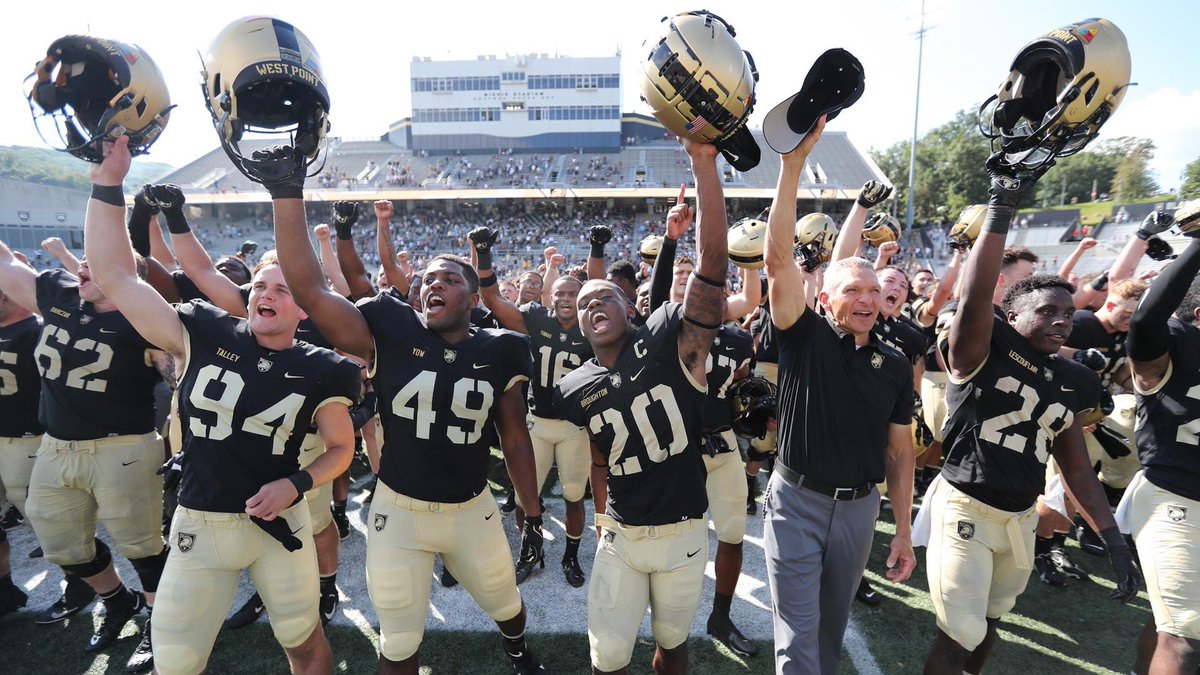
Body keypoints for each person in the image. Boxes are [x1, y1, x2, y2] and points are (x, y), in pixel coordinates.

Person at [261, 144, 547, 674]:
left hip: (472, 508)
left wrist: (532, 514)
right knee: (396, 641)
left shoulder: (502, 347)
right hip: (399, 510)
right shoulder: (388, 326)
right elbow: (310, 289)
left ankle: (516, 647)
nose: (435, 283)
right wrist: (287, 191)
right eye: (428, 279)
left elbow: (513, 437)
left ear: (474, 299)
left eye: (451, 279)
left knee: (505, 601)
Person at [83, 135, 360, 675]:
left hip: (283, 524)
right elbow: (117, 277)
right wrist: (106, 185)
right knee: (176, 659)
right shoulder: (206, 330)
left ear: (306, 307)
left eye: (283, 289)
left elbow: (341, 449)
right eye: (261, 285)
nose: (265, 295)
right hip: (199, 521)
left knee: (303, 645)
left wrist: (297, 484)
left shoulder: (325, 366)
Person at [920, 154, 1139, 675]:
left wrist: (1111, 536)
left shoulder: (1076, 379)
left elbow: (1075, 467)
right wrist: (1002, 203)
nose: (1062, 321)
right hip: (965, 505)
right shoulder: (982, 345)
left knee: (992, 620)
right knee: (962, 630)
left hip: (1019, 516)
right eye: (1047, 311)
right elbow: (974, 296)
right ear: (1011, 315)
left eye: (1068, 314)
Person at [554, 136, 727, 675]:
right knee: (606, 657)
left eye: (604, 296)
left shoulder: (665, 339)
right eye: (583, 304)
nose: (591, 306)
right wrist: (604, 516)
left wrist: (703, 164)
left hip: (683, 531)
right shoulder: (574, 385)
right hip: (623, 535)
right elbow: (600, 457)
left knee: (674, 648)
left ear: (631, 309)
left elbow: (715, 269)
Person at [762, 116, 916, 675]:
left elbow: (900, 452)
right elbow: (778, 262)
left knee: (830, 632)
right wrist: (792, 165)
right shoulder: (804, 336)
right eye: (853, 288)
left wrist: (901, 528)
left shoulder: (896, 364)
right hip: (797, 503)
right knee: (798, 643)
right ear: (825, 301)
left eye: (875, 289)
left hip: (859, 509)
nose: (868, 297)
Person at [0, 185, 175, 664]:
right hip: (55, 447)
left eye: (96, 264)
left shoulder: (145, 322)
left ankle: (160, 625)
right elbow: (6, 267)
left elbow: (177, 378)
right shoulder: (57, 296)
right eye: (83, 260)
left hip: (123, 447)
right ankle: (118, 600)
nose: (82, 266)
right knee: (60, 545)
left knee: (142, 546)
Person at [469, 225, 593, 587]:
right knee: (526, 496)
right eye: (561, 292)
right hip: (536, 421)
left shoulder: (592, 326)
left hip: (574, 427)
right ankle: (530, 550)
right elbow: (492, 299)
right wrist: (485, 255)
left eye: (574, 292)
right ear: (550, 296)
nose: (568, 297)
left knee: (573, 496)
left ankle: (570, 554)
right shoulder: (537, 319)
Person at [1124, 210, 1200, 675]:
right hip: (1174, 497)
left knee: (1171, 618)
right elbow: (1146, 320)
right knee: (1187, 642)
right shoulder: (1176, 340)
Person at [0, 274, 43, 617]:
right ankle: (4, 590)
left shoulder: (38, 329)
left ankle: (83, 586)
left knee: (46, 522)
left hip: (27, 438)